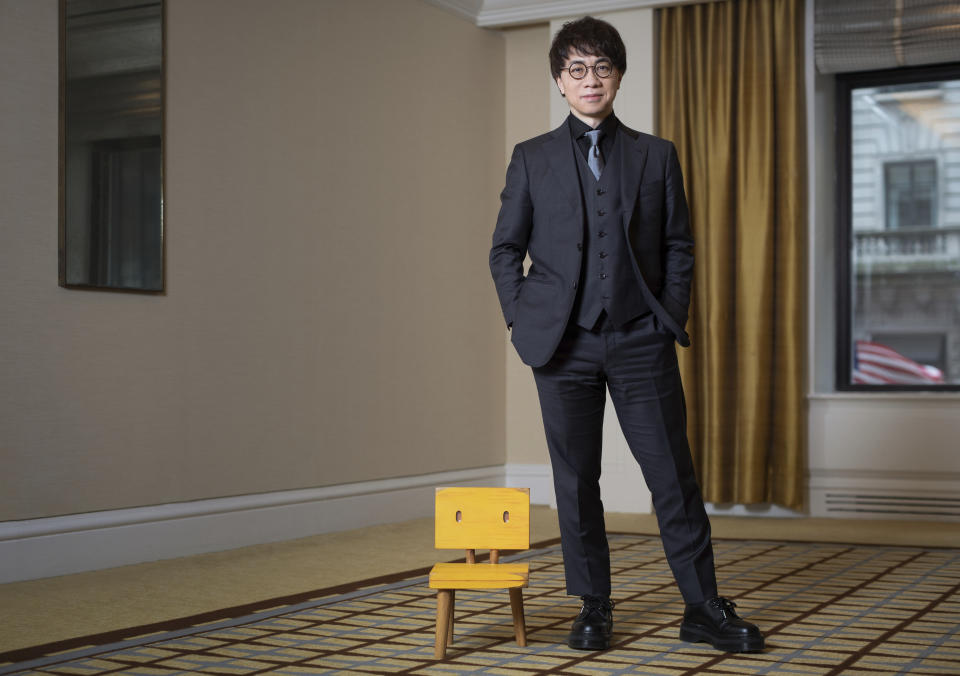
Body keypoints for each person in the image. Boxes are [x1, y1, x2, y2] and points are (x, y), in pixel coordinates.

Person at [489, 16, 764, 653]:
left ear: (618, 77)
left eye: (602, 69)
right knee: (575, 479)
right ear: (560, 81)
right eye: (578, 70)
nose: (591, 80)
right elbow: (505, 250)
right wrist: (522, 317)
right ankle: (594, 607)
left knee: (672, 474)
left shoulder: (656, 154)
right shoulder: (531, 158)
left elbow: (678, 245)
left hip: (641, 339)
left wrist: (667, 314)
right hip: (561, 345)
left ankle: (702, 608)